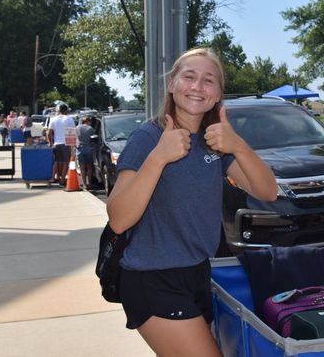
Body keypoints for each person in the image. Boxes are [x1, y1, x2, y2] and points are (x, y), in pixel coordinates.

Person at [107, 47, 277, 356]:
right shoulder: (147, 138)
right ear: (171, 84)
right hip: (152, 279)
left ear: (217, 95)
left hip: (197, 274)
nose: (198, 86)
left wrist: (237, 144)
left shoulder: (215, 142)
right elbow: (119, 218)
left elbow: (268, 192)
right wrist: (159, 156)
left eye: (208, 80)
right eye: (189, 77)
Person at [47, 104, 75, 186]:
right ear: (66, 111)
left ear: (59, 110)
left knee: (56, 162)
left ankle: (53, 177)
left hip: (56, 143)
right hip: (66, 143)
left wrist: (50, 143)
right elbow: (72, 132)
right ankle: (62, 180)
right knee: (66, 162)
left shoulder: (53, 119)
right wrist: (72, 146)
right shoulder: (69, 119)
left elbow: (49, 132)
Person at [75, 116, 96, 191]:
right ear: (88, 121)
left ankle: (84, 184)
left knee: (82, 168)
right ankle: (89, 183)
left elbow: (75, 138)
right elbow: (94, 138)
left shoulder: (77, 128)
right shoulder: (90, 129)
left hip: (79, 149)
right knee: (89, 167)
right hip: (88, 149)